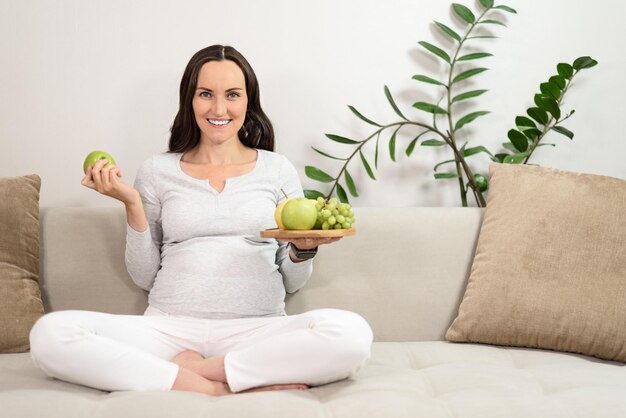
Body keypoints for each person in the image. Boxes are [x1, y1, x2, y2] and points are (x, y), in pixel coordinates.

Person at [29, 44, 373, 396]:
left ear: (248, 102)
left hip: (256, 331)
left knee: (352, 333)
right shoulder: (156, 170)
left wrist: (304, 250)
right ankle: (220, 388)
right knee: (49, 335)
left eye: (232, 95)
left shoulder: (277, 169)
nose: (219, 108)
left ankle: (197, 371)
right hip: (169, 331)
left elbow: (293, 281)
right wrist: (131, 203)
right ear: (189, 101)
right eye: (206, 94)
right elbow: (145, 277)